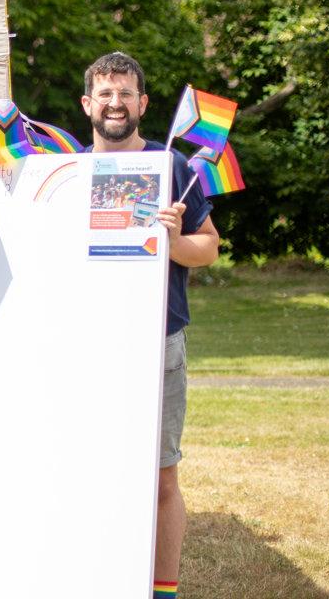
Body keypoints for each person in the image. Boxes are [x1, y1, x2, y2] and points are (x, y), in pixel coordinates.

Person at [80, 52, 220, 599]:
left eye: (126, 93)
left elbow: (207, 249)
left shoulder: (173, 167)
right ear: (89, 103)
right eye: (106, 94)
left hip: (157, 342)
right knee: (88, 467)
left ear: (142, 103)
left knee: (160, 477)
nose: (116, 103)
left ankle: (162, 591)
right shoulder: (65, 170)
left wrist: (172, 239)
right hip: (83, 341)